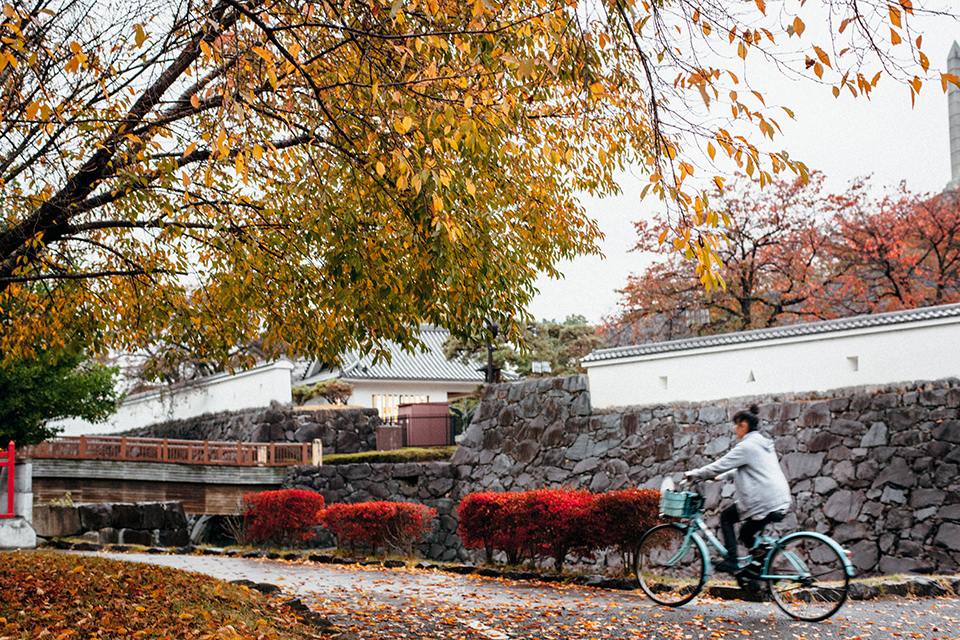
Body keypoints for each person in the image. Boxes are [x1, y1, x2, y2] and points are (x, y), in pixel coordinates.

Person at [684, 405, 792, 575]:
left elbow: (720, 465)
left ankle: (732, 561)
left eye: (736, 425)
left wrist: (694, 474)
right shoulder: (762, 444)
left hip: (763, 499)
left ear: (744, 425)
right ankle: (760, 569)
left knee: (726, 517)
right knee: (746, 533)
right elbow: (741, 468)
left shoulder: (746, 446)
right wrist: (720, 478)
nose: (735, 429)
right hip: (779, 497)